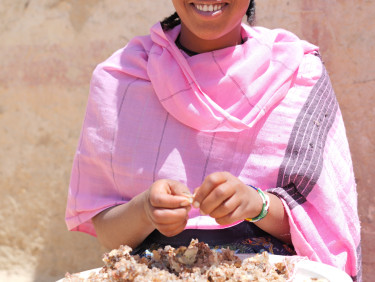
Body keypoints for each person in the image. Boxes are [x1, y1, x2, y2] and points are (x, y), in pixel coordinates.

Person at [65, 1, 361, 280]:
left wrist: (255, 203)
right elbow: (108, 236)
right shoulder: (120, 80)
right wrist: (145, 211)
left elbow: (324, 227)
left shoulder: (298, 73)